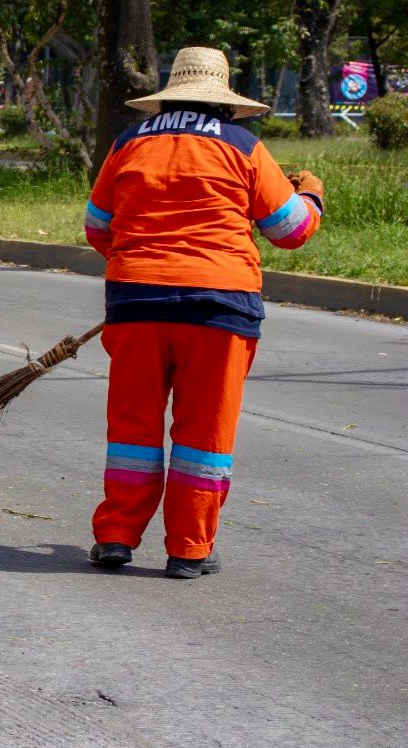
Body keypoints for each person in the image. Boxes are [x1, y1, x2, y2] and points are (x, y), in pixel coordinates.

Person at [84, 46, 323, 578]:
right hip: (220, 309)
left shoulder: (128, 143)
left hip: (136, 303)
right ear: (227, 103)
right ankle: (189, 549)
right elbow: (291, 231)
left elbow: (98, 227)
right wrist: (312, 194)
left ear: (168, 95)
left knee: (132, 430)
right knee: (204, 436)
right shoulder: (243, 146)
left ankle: (117, 537)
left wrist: (143, 266)